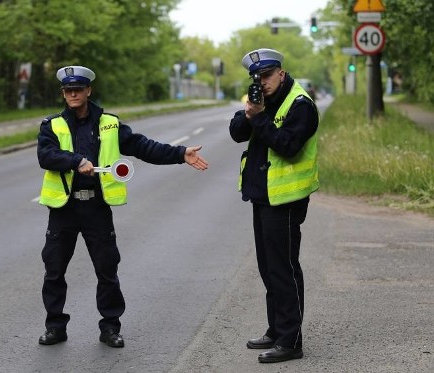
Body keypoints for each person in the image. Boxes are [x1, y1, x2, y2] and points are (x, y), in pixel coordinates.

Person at [37, 65, 209, 348]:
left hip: (96, 207)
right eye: (68, 91)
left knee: (107, 270)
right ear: (63, 94)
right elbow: (46, 155)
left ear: (88, 91)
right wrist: (76, 161)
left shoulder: (109, 124)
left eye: (78, 89)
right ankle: (55, 327)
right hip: (64, 209)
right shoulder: (52, 125)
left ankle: (110, 328)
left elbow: (142, 146)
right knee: (54, 270)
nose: (73, 94)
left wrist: (180, 153)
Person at [229, 49, 319, 363]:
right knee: (269, 269)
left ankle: (291, 340)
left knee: (284, 270)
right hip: (262, 194)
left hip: (287, 200)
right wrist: (249, 112)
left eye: (267, 76)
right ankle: (276, 329)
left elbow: (289, 147)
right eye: (257, 78)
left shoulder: (300, 104)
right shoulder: (259, 100)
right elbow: (236, 134)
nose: (262, 82)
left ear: (280, 73)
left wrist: (260, 118)